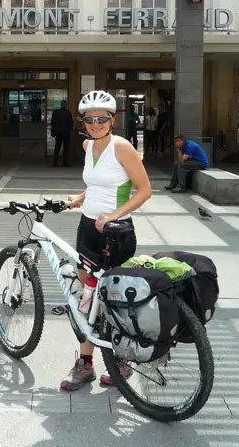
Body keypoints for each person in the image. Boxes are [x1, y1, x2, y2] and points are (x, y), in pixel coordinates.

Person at [60, 90, 152, 391]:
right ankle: (85, 364)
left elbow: (143, 190)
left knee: (114, 300)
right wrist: (80, 197)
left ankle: (122, 363)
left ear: (113, 119)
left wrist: (114, 215)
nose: (96, 124)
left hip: (116, 232)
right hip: (87, 228)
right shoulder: (88, 145)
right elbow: (101, 184)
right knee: (87, 298)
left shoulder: (122, 147)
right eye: (90, 119)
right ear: (83, 121)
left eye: (102, 118)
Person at [50, 100, 74, 167]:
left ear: (61, 104)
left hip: (58, 133)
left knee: (57, 147)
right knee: (66, 148)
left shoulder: (56, 112)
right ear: (65, 105)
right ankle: (65, 163)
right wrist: (69, 129)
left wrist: (54, 131)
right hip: (66, 133)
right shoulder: (68, 112)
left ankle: (55, 163)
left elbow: (52, 122)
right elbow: (71, 123)